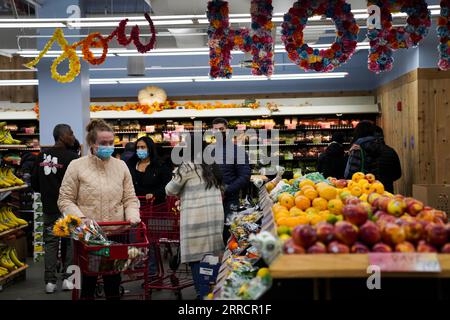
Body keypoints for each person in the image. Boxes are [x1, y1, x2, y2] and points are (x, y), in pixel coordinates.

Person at [58, 119, 140, 300]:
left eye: (111, 143)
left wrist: (133, 216)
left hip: (117, 232)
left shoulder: (121, 166)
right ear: (91, 144)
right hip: (88, 235)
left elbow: (129, 198)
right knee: (88, 282)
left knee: (113, 282)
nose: (108, 146)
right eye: (103, 143)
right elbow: (65, 200)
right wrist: (81, 218)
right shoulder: (76, 166)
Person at [165, 138, 224, 299]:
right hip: (214, 219)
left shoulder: (186, 167)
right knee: (211, 257)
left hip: (196, 219)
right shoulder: (213, 166)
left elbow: (169, 190)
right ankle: (212, 290)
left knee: (197, 258)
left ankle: (202, 294)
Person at [31, 124, 79, 294]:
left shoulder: (41, 155)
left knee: (51, 243)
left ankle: (49, 282)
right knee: (70, 242)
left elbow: (35, 182)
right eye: (71, 133)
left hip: (49, 207)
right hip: (69, 207)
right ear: (62, 136)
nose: (73, 136)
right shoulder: (72, 157)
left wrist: (46, 194)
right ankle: (68, 279)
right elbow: (77, 185)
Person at [212, 118, 251, 242]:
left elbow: (245, 176)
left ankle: (229, 259)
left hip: (230, 199)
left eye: (221, 129)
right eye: (215, 130)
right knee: (213, 233)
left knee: (229, 232)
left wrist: (227, 189)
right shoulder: (209, 151)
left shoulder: (238, 151)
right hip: (212, 199)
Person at [127, 137, 171, 204]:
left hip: (155, 206)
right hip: (135, 204)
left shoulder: (160, 165)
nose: (139, 150)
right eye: (137, 147)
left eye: (143, 147)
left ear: (150, 149)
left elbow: (167, 185)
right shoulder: (131, 164)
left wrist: (155, 194)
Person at [374, 126, 402, 193]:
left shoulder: (367, 152)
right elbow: (398, 174)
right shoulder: (391, 151)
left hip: (371, 190)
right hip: (388, 190)